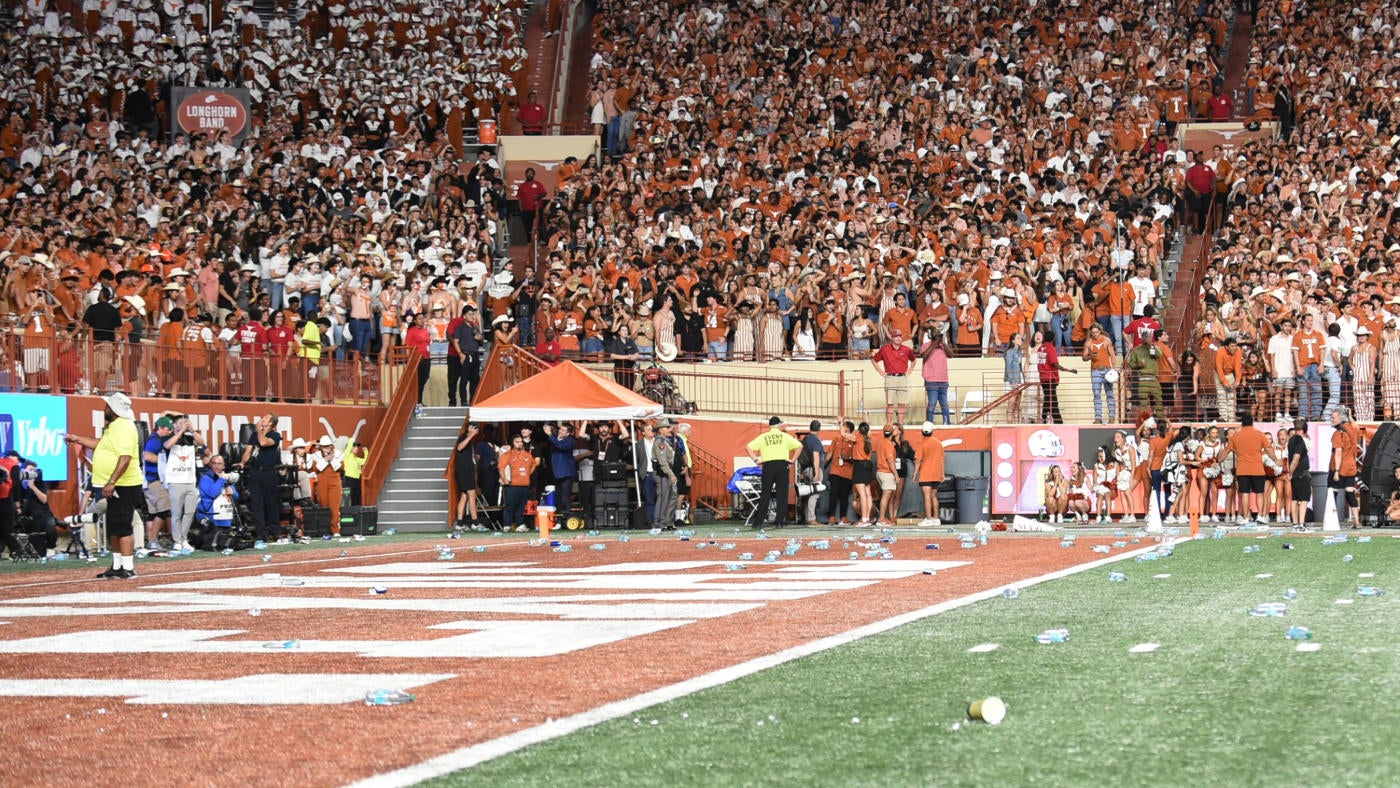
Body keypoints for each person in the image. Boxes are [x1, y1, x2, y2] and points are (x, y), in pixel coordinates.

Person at [64, 393, 144, 579]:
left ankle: (128, 567)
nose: (104, 409)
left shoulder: (123, 427)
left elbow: (125, 458)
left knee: (123, 526)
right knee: (115, 526)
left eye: (107, 406)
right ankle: (117, 566)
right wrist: (77, 439)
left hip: (125, 484)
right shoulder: (116, 427)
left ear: (113, 409)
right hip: (117, 484)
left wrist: (112, 481)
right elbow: (101, 445)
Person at [746, 415, 802, 528]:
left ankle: (758, 522)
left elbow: (748, 447)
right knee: (782, 494)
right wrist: (792, 460)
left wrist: (756, 459)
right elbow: (800, 446)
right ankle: (780, 521)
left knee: (765, 494)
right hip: (782, 465)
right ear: (779, 425)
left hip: (768, 466)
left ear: (770, 426)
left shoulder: (763, 437)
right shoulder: (784, 436)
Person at [241, 412, 284, 545]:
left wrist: (259, 430)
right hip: (255, 472)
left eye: (265, 418)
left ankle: (275, 532)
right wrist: (243, 462)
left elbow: (263, 443)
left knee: (271, 503)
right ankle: (261, 534)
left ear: (271, 423)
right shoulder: (255, 435)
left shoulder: (275, 436)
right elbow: (248, 451)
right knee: (257, 503)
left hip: (268, 472)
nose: (262, 419)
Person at [140, 415, 177, 554]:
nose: (170, 432)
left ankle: (151, 541)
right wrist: (166, 462)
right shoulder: (155, 440)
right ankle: (153, 540)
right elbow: (147, 455)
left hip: (149, 481)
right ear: (161, 428)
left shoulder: (154, 438)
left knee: (152, 513)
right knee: (164, 510)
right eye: (169, 429)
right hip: (155, 480)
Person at [1224, 412, 1269, 525]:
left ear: (1242, 423)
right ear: (1252, 422)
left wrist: (1219, 459)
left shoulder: (1236, 436)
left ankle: (1246, 517)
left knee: (1244, 493)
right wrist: (1277, 461)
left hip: (1242, 470)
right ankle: (1260, 515)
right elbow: (1269, 450)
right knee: (1259, 493)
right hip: (1257, 469)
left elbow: (1227, 450)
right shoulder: (1259, 434)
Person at [10, 454, 57, 557]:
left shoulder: (40, 483)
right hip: (28, 516)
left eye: (34, 471)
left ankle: (51, 547)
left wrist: (33, 487)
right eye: (30, 470)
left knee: (50, 527)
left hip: (43, 513)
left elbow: (44, 499)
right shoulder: (17, 485)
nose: (32, 473)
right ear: (22, 471)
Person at [871, 330, 916, 424]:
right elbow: (874, 360)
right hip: (890, 377)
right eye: (896, 336)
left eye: (900, 336)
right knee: (890, 404)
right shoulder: (885, 349)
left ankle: (900, 425)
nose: (898, 338)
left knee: (902, 404)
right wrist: (881, 373)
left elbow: (914, 360)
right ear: (892, 338)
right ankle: (889, 425)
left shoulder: (907, 349)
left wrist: (909, 371)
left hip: (902, 377)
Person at [1328, 406, 1362, 528]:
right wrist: (1350, 415)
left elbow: (1338, 453)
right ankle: (1357, 521)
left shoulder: (1338, 434)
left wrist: (1336, 471)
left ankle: (1331, 520)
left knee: (1333, 494)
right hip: (1351, 467)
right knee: (1350, 493)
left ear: (1340, 419)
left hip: (1339, 468)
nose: (1331, 418)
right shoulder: (1353, 429)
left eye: (1334, 417)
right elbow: (1354, 424)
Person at [498, 433, 539, 532]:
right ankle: (507, 524)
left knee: (521, 507)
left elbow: (534, 464)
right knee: (510, 505)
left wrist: (528, 473)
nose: (520, 444)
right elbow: (501, 468)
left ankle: (520, 524)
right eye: (517, 442)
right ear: (512, 443)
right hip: (512, 485)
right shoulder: (508, 454)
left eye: (521, 442)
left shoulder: (527, 455)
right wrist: (504, 479)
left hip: (524, 485)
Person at [1036, 331, 1077, 424]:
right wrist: (1068, 370)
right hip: (1050, 378)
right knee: (1052, 400)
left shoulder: (1040, 348)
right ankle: (1057, 421)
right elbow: (1055, 364)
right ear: (1053, 338)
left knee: (1048, 399)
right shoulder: (1050, 348)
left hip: (1043, 377)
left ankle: (1046, 418)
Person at [448, 307, 483, 407]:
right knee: (464, 379)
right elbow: (455, 341)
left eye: (473, 314)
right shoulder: (461, 328)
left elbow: (480, 340)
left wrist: (479, 338)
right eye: (469, 314)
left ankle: (473, 400)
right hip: (466, 354)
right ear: (464, 316)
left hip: (475, 354)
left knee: (475, 379)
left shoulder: (475, 327)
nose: (472, 316)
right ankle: (464, 401)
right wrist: (460, 354)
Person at [196, 454, 240, 532]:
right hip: (210, 520)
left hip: (226, 518)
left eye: (219, 464)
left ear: (224, 466)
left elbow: (236, 497)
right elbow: (213, 493)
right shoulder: (205, 478)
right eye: (214, 463)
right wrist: (221, 479)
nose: (216, 466)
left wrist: (232, 493)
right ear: (210, 465)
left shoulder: (226, 478)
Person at [1083, 323, 1118, 424]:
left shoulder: (1106, 340)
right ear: (1090, 332)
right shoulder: (1088, 342)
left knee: (1109, 393)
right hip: (1095, 371)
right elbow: (1084, 357)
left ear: (1100, 331)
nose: (1095, 334)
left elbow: (1112, 355)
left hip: (1106, 370)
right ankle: (1098, 417)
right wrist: (1090, 356)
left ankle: (1111, 417)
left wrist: (1113, 369)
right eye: (1093, 332)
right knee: (1096, 394)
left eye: (1097, 332)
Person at [543, 422, 579, 515]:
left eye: (563, 430)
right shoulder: (556, 439)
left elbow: (561, 446)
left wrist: (550, 435)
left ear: (568, 433)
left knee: (565, 496)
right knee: (558, 496)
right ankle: (559, 516)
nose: (560, 431)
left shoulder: (570, 440)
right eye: (560, 429)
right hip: (557, 472)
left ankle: (567, 515)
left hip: (566, 473)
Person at [914, 421, 945, 527]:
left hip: (926, 474)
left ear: (922, 431)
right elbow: (941, 459)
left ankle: (928, 518)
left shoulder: (921, 443)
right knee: (934, 496)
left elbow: (918, 460)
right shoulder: (938, 443)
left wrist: (914, 474)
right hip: (936, 474)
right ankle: (936, 519)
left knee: (927, 497)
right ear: (932, 431)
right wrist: (942, 474)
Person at [918, 329, 951, 424]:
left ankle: (947, 422)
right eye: (935, 333)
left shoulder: (943, 346)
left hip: (943, 379)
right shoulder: (926, 345)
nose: (937, 335)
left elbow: (951, 355)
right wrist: (934, 344)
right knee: (932, 402)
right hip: (931, 379)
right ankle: (929, 422)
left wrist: (943, 344)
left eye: (938, 334)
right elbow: (924, 356)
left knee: (944, 402)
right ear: (930, 335)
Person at [312, 436, 344, 535]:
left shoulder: (338, 454)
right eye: (324, 447)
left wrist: (332, 459)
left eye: (328, 446)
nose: (326, 448)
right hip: (322, 481)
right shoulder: (316, 455)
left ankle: (335, 530)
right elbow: (316, 469)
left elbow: (341, 467)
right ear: (321, 447)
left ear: (331, 446)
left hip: (334, 482)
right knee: (323, 505)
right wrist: (326, 459)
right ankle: (325, 530)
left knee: (334, 506)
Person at [652, 419, 681, 529]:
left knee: (672, 497)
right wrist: (671, 474)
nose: (670, 429)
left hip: (668, 472)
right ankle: (659, 523)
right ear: (660, 430)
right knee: (663, 498)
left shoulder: (665, 441)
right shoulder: (660, 442)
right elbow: (662, 461)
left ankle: (668, 522)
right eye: (667, 427)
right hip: (662, 474)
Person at [796, 420, 825, 526]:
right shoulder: (816, 441)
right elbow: (816, 457)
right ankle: (811, 518)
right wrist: (816, 473)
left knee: (806, 493)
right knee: (815, 494)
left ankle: (803, 516)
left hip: (805, 469)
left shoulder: (805, 439)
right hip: (813, 469)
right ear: (819, 429)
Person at [454, 423, 483, 530]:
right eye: (473, 427)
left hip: (466, 470)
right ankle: (475, 522)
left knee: (464, 495)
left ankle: (460, 523)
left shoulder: (471, 441)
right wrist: (470, 435)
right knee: (472, 494)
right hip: (464, 470)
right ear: (468, 428)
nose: (475, 430)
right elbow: (459, 447)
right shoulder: (464, 436)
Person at [1285, 418, 1312, 527]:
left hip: (1295, 474)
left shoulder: (1291, 440)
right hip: (1301, 473)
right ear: (1304, 429)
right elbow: (1296, 459)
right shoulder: (1300, 440)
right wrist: (1290, 473)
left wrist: (1291, 472)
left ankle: (1295, 522)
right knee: (1304, 499)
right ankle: (1301, 522)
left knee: (1295, 499)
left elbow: (1291, 458)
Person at [404, 311, 432, 406]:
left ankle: (419, 400)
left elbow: (427, 342)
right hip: (417, 358)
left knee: (424, 378)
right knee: (418, 380)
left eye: (422, 318)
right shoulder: (412, 331)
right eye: (419, 319)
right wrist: (409, 359)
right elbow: (407, 345)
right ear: (415, 321)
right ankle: (417, 401)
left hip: (426, 357)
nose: (422, 320)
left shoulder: (425, 330)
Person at [343, 441, 367, 506]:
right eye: (354, 446)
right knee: (348, 498)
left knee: (357, 498)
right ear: (350, 447)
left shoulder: (356, 459)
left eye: (357, 447)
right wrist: (352, 440)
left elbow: (364, 461)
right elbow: (348, 447)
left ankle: (357, 513)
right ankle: (348, 514)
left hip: (356, 480)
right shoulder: (346, 455)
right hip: (349, 479)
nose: (356, 448)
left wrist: (366, 452)